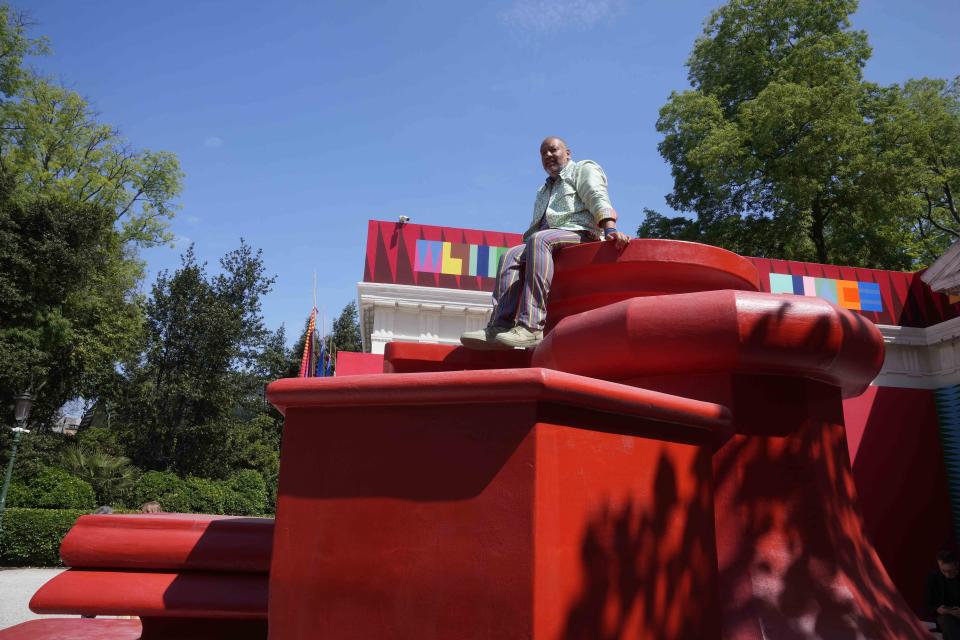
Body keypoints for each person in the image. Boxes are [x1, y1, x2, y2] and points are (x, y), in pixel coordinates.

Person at [461, 137, 630, 350]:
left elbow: (596, 195)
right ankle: (499, 326)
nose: (548, 156)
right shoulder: (543, 190)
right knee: (510, 255)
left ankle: (531, 327)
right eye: (543, 154)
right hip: (548, 238)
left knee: (540, 239)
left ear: (567, 152)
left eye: (553, 150)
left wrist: (610, 228)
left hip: (581, 233)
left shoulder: (582, 169)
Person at [926, 550, 960, 638]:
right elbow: (928, 604)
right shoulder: (933, 578)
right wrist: (938, 609)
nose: (947, 574)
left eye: (950, 571)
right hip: (946, 617)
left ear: (957, 565)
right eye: (943, 571)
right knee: (948, 621)